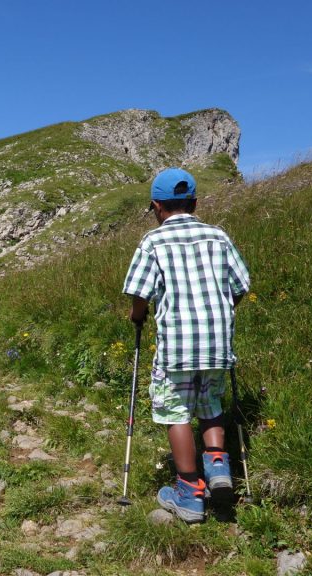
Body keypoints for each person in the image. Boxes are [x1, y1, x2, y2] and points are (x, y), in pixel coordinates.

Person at [121, 167, 250, 523]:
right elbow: (240, 285)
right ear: (194, 202)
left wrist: (137, 316)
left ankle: (190, 491)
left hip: (176, 344)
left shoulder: (152, 242)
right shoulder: (218, 236)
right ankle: (218, 465)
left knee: (175, 411)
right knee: (210, 403)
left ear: (156, 206)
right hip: (216, 341)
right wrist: (220, 313)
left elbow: (139, 292)